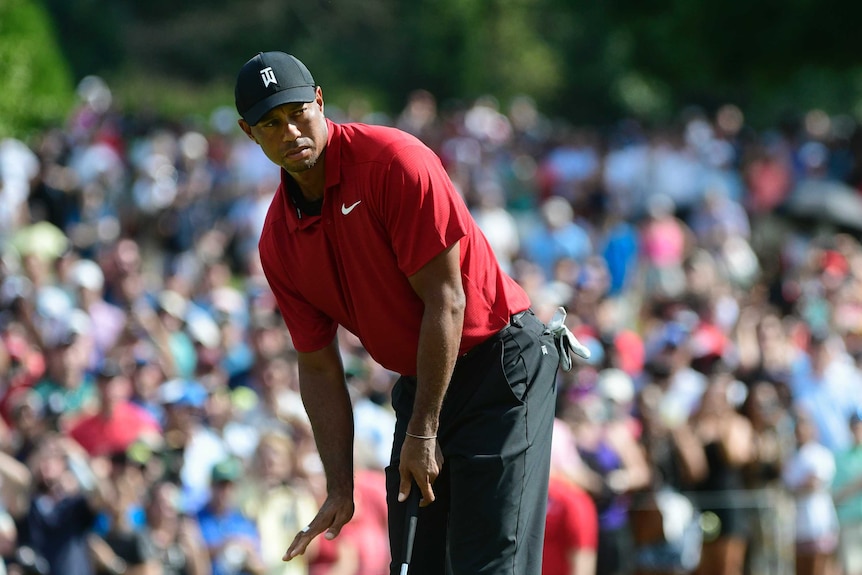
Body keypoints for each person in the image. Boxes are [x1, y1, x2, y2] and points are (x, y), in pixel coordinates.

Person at [233, 51, 583, 575]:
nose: (290, 131)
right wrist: (339, 484)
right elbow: (319, 365)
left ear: (320, 101)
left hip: (501, 368)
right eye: (270, 123)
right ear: (248, 133)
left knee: (490, 567)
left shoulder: (394, 161)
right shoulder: (277, 240)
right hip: (426, 379)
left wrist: (422, 434)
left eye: (298, 113)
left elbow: (448, 302)